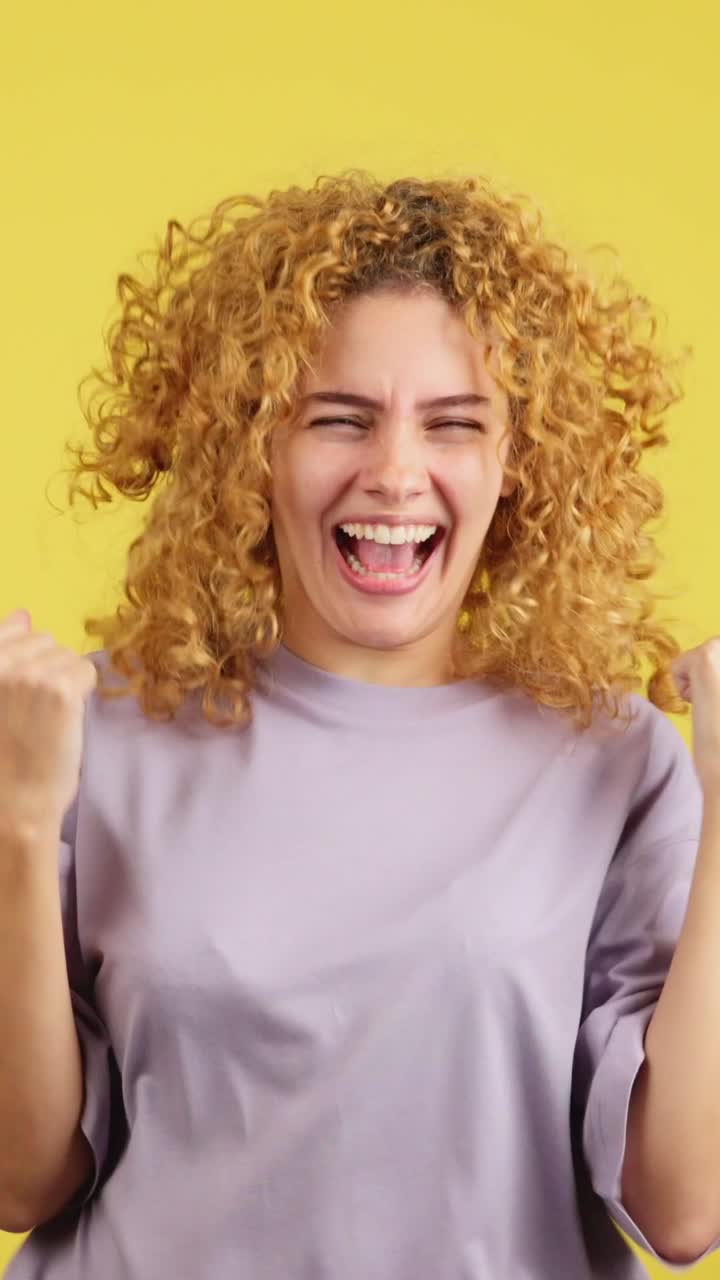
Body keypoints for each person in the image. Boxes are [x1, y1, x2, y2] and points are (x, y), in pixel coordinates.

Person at [1, 170, 716, 1278]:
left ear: (516, 466)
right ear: (254, 449)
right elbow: (21, 1176)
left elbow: (683, 1205)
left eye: (454, 424)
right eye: (339, 418)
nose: (395, 472)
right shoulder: (91, 734)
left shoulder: (614, 761)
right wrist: (15, 820)